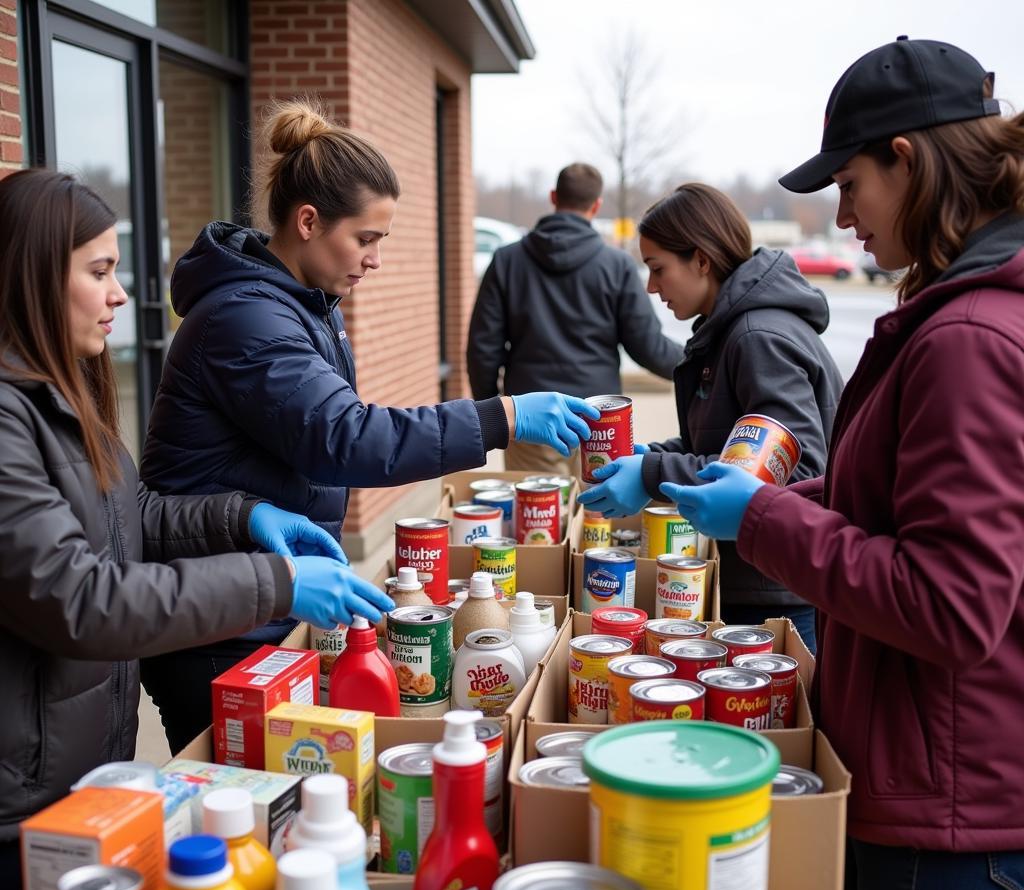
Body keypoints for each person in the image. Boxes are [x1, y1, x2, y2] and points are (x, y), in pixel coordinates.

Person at [660, 38, 1024, 890]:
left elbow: (951, 603)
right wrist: (763, 498)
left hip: (943, 809)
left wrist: (766, 518)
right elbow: (892, 497)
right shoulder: (955, 314)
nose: (841, 214)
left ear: (908, 160)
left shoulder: (965, 340)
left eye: (850, 182)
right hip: (946, 778)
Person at [140, 98, 597, 751]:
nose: (375, 260)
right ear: (308, 222)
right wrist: (506, 415)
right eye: (366, 239)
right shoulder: (247, 319)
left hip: (260, 595)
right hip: (214, 627)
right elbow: (346, 438)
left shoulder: (303, 301)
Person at [0, 168, 394, 890]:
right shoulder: (7, 419)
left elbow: (127, 515)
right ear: (31, 278)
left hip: (80, 782)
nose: (119, 294)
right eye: (99, 272)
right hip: (19, 801)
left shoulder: (61, 392)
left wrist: (240, 517)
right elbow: (79, 596)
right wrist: (275, 583)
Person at [579, 183, 843, 653]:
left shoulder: (756, 337)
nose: (651, 287)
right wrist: (650, 458)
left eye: (658, 268)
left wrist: (654, 474)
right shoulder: (727, 333)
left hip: (781, 591)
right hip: (759, 573)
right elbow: (734, 443)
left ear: (701, 260)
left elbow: (797, 469)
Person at [466, 162, 683, 475]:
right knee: (599, 515)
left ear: (554, 197)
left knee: (539, 512)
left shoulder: (507, 261)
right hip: (599, 420)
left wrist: (493, 416)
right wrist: (702, 365)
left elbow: (482, 348)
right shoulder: (616, 265)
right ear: (596, 205)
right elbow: (648, 346)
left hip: (531, 417)